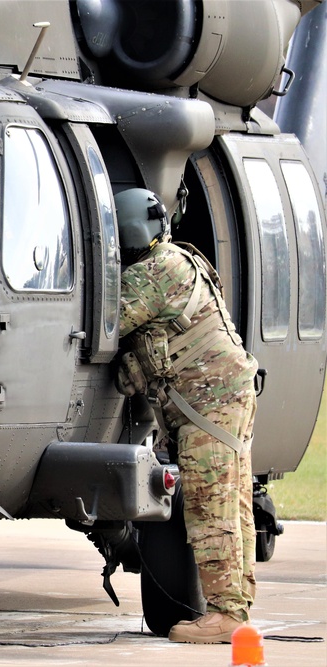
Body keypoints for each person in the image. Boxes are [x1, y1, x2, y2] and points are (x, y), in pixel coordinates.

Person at [114, 188, 259, 644]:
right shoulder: (178, 259)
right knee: (233, 503)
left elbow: (101, 319)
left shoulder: (153, 274)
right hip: (226, 396)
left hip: (208, 403)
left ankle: (225, 616)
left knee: (210, 507)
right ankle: (235, 606)